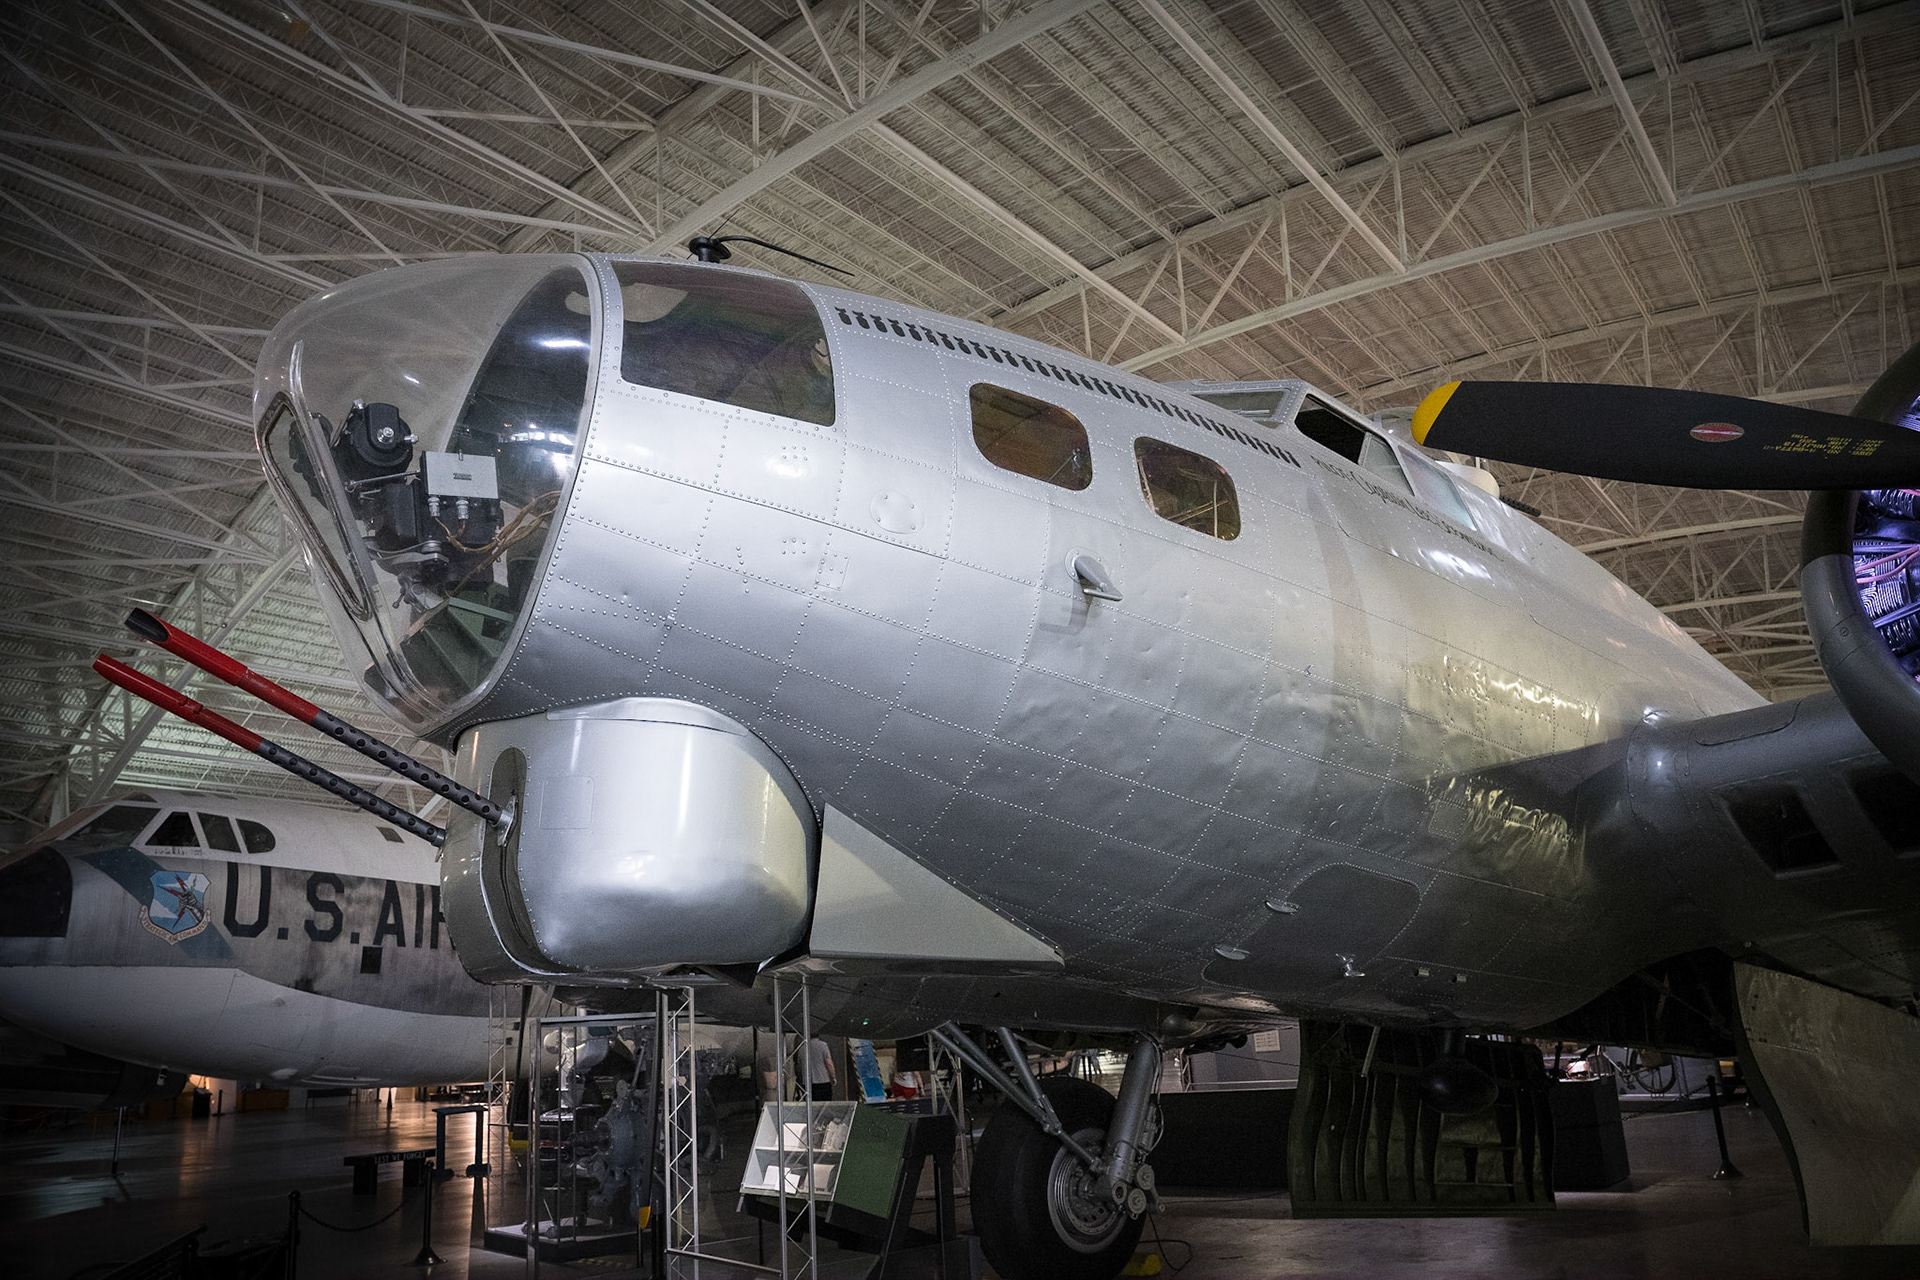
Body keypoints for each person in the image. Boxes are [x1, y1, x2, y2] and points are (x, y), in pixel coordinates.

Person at [805, 1035, 836, 1102]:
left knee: (811, 1104)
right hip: (822, 1081)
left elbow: (799, 1065)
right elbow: (829, 1063)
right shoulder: (823, 1046)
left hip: (807, 1083)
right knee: (825, 1104)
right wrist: (833, 1077)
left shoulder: (803, 1047)